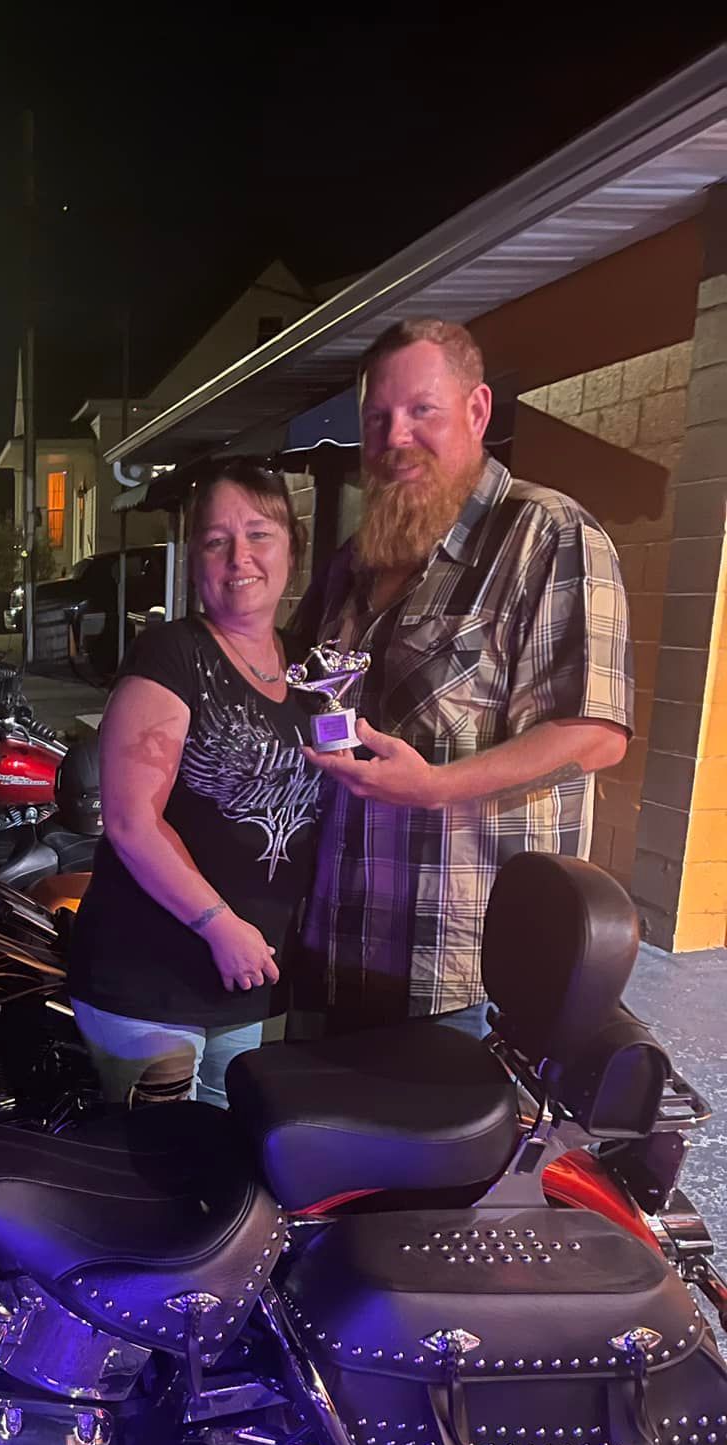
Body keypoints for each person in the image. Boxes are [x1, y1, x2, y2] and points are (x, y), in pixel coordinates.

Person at [291, 316, 633, 1035]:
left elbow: (595, 733)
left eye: (422, 411)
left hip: (462, 971)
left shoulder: (547, 534)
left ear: (476, 411)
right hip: (335, 943)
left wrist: (436, 789)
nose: (395, 438)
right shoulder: (356, 559)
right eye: (378, 418)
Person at [67, 461, 323, 1108]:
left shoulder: (312, 669)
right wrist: (219, 926)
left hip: (245, 983)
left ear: (293, 547)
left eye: (260, 534)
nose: (241, 556)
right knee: (163, 1178)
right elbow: (130, 820)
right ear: (195, 559)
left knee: (227, 1172)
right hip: (151, 976)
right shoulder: (172, 654)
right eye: (217, 540)